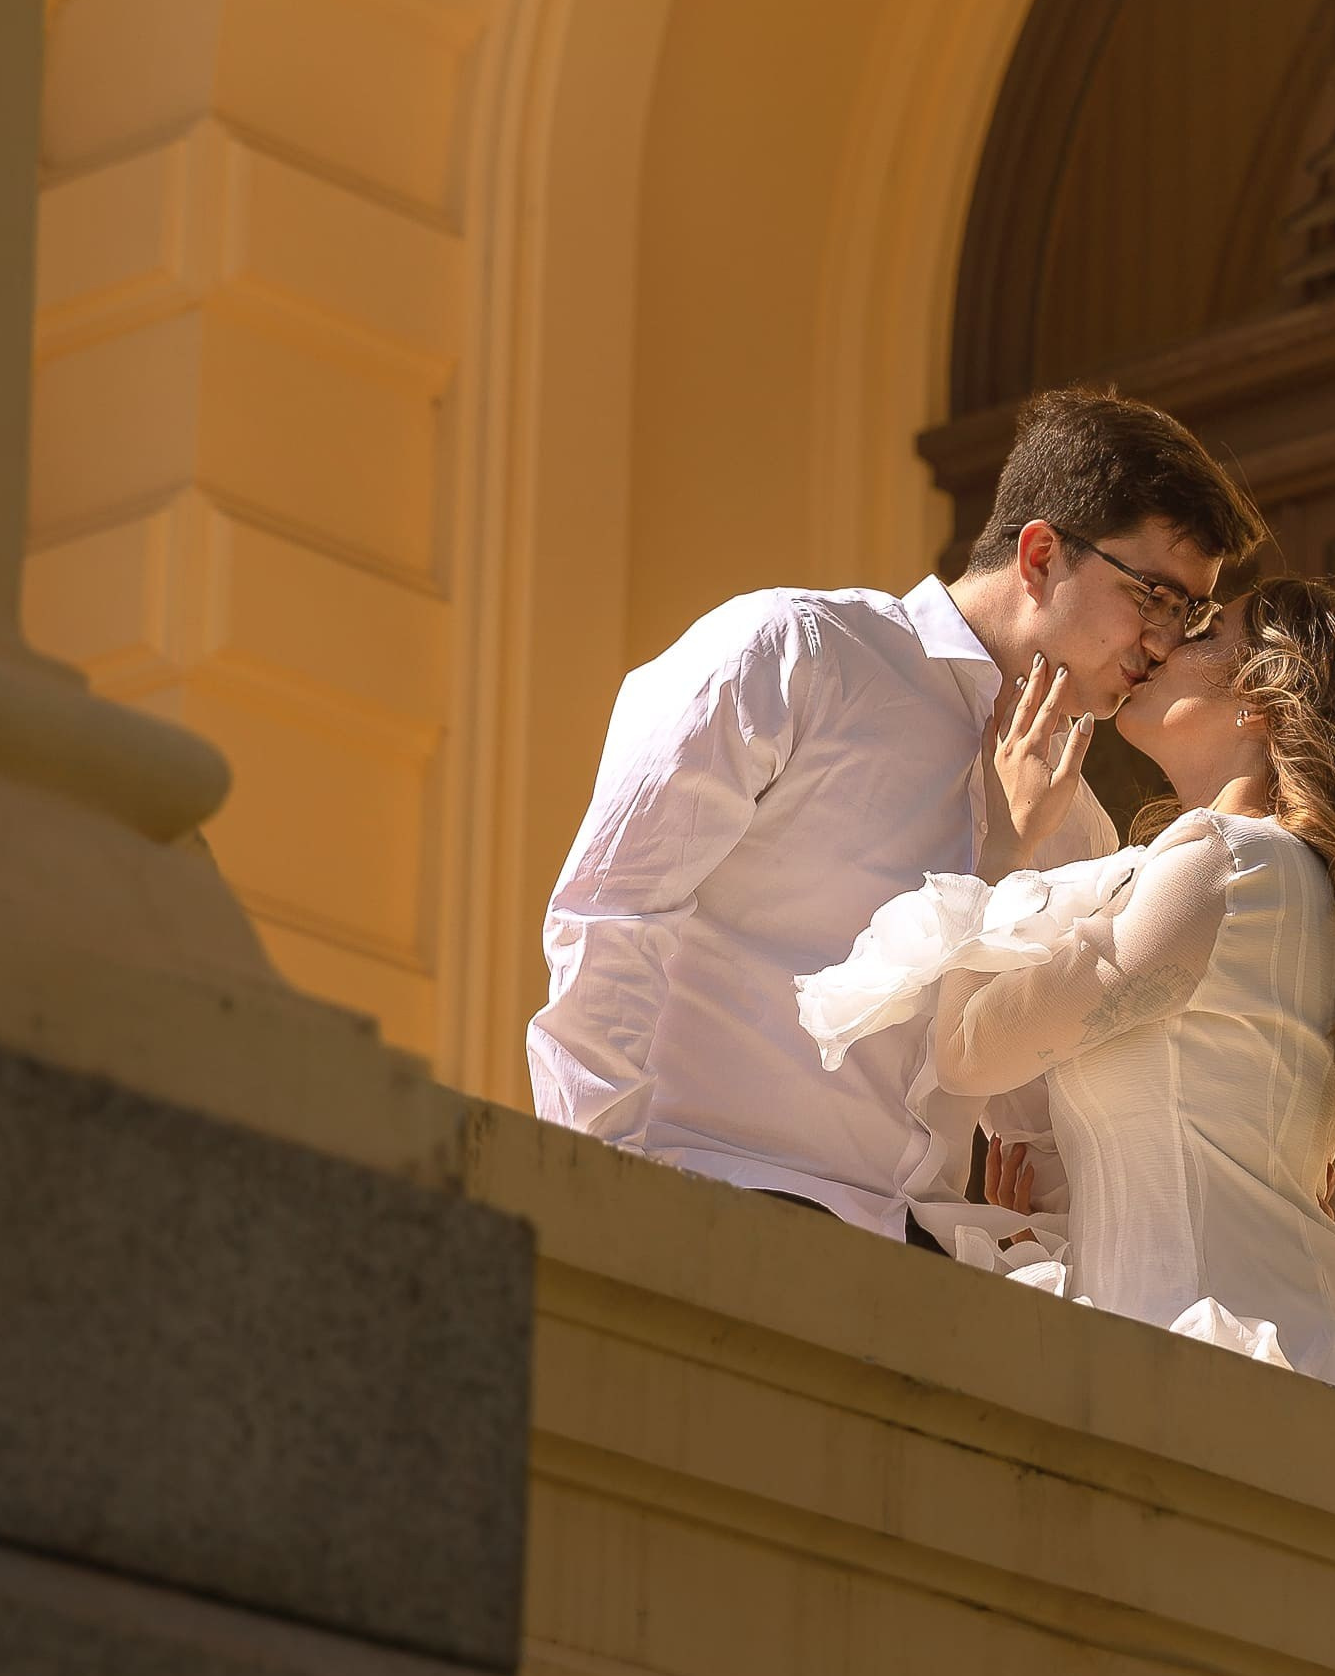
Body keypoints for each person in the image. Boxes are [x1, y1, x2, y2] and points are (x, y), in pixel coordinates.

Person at [796, 574, 1335, 1456]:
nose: (1163, 644)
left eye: (1205, 633)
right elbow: (1307, 1201)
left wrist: (1008, 843)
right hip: (1303, 1353)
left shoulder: (1217, 865)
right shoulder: (1318, 903)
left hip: (1182, 1355)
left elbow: (970, 1053)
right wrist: (1059, 1215)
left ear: (1262, 706)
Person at [528, 390, 1266, 1240]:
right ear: (1039, 557)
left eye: (1193, 615)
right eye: (1156, 597)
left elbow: (1052, 1112)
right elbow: (613, 913)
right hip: (709, 1203)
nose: (1166, 644)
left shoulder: (1078, 828)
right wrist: (595, 1197)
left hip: (930, 1273)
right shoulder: (791, 655)